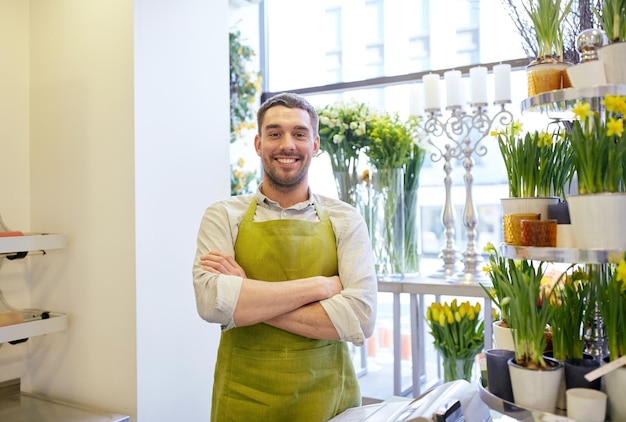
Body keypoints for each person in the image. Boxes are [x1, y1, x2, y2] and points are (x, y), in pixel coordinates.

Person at [192, 92, 377, 421]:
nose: (287, 144)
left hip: (329, 400)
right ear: (259, 144)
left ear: (315, 144)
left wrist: (245, 294)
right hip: (243, 398)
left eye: (299, 134)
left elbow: (361, 317)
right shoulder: (222, 215)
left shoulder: (345, 219)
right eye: (275, 133)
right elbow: (212, 304)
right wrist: (319, 287)